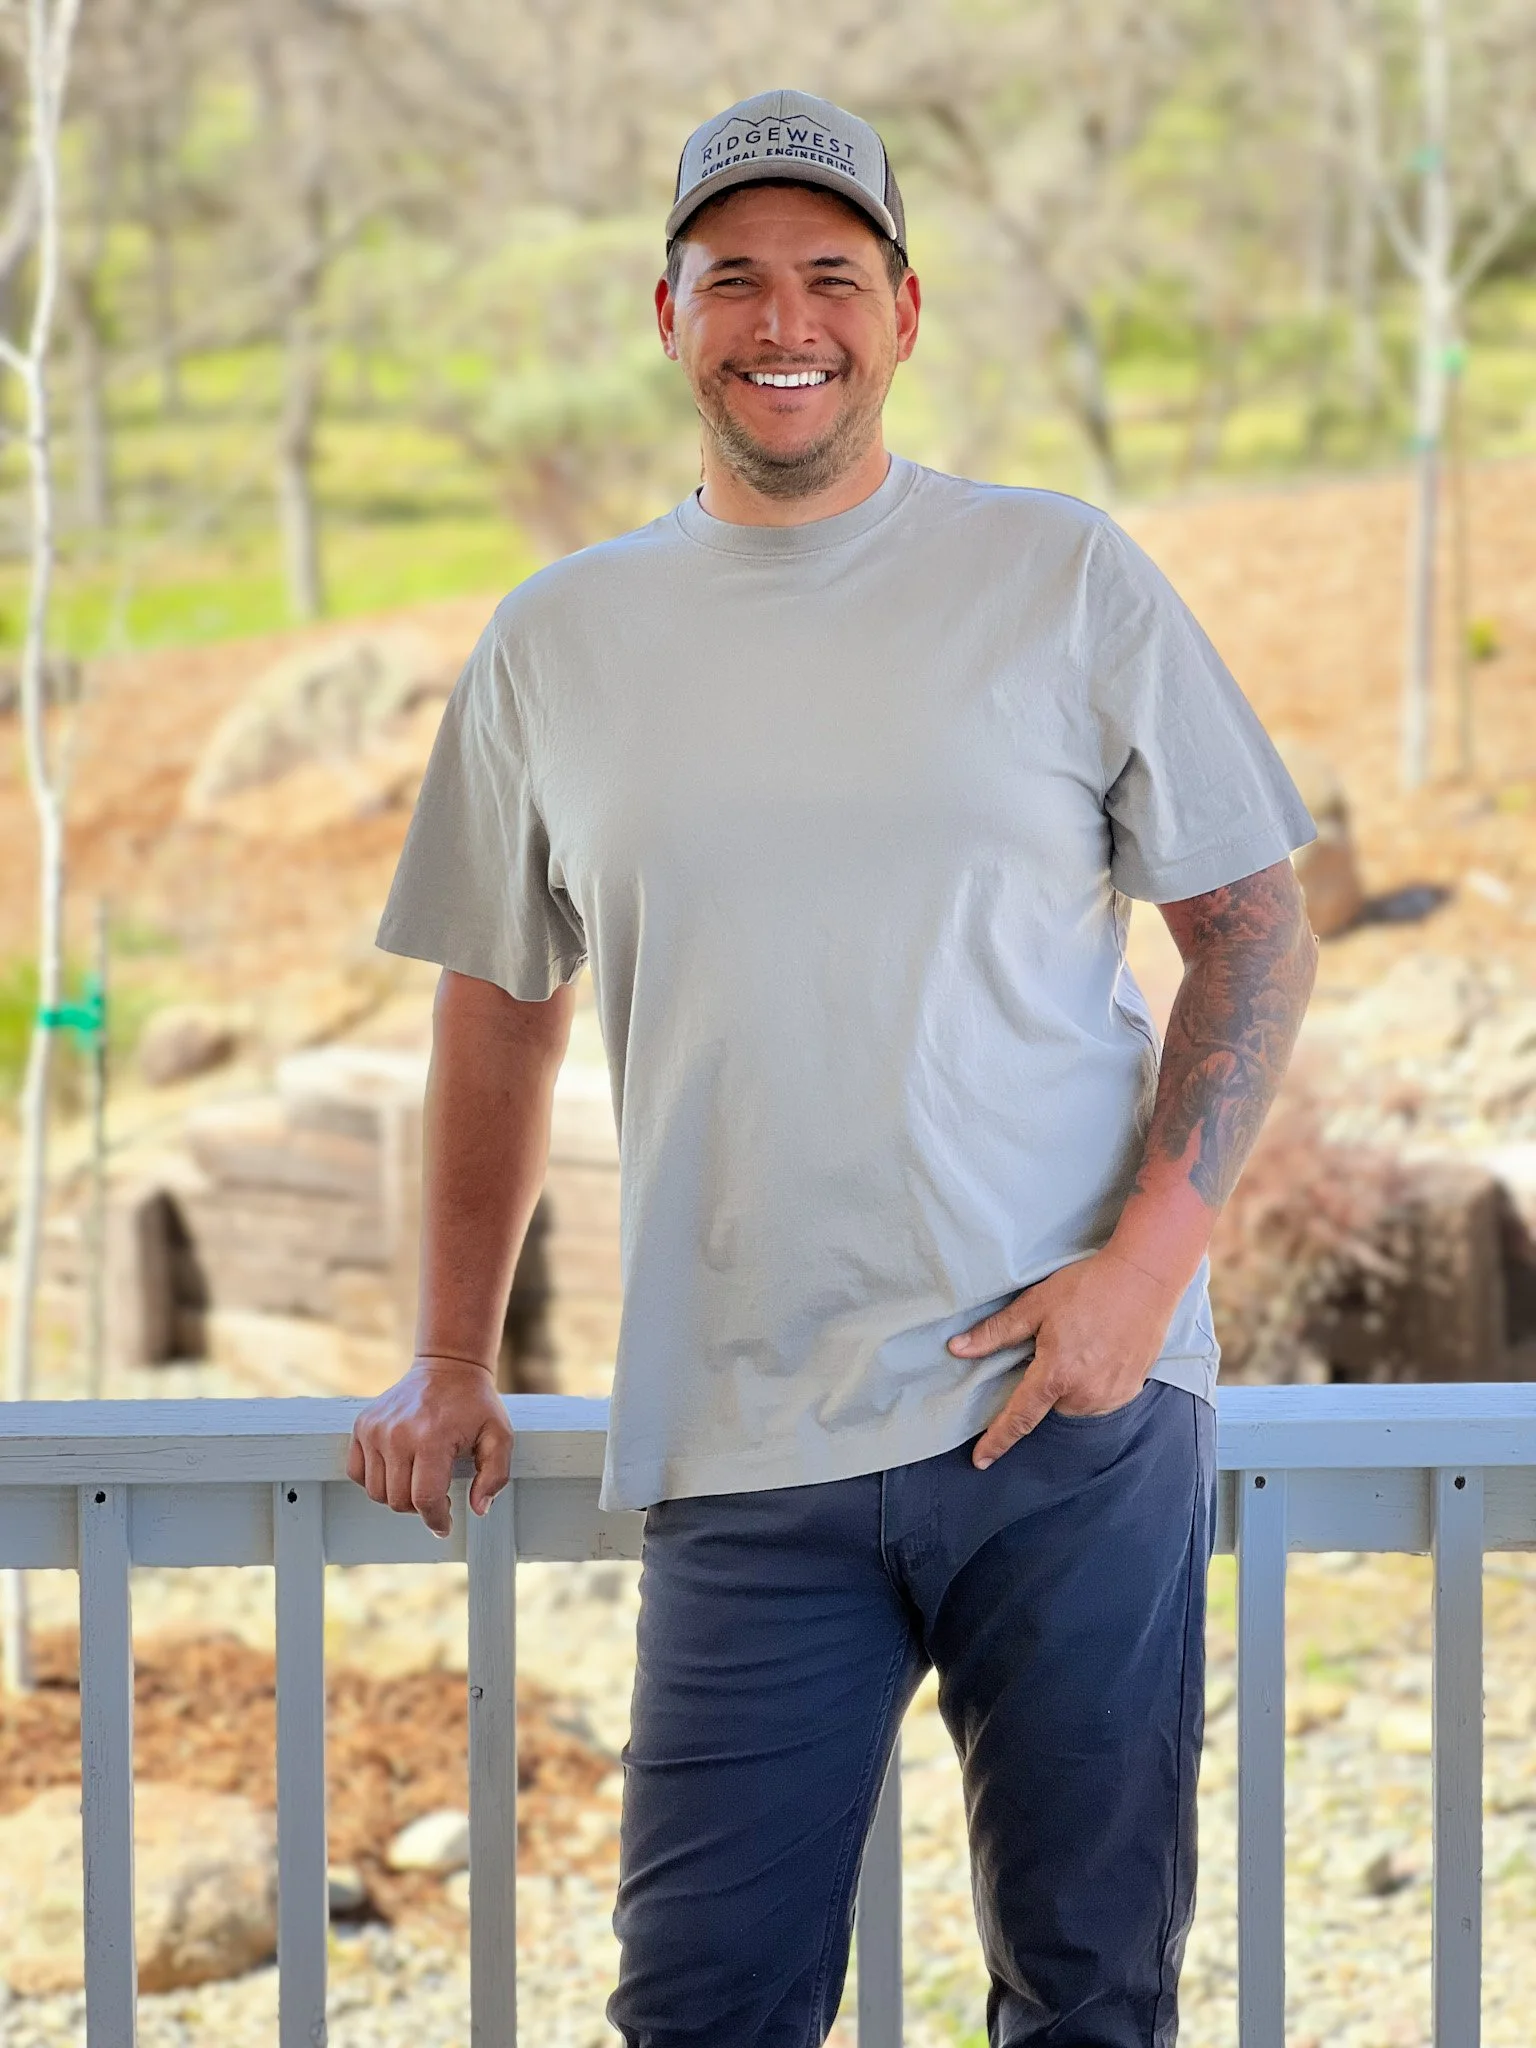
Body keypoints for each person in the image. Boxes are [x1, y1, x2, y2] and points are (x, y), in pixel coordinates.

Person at [349, 87, 1318, 2048]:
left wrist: (1142, 1279)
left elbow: (1256, 928)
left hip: (1071, 1424)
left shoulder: (1061, 575)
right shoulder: (559, 643)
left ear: (903, 310)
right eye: (737, 279)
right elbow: (496, 1007)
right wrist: (454, 1353)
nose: (784, 320)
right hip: (742, 1444)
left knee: (1093, 2002)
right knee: (701, 2011)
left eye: (829, 276)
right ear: (667, 312)